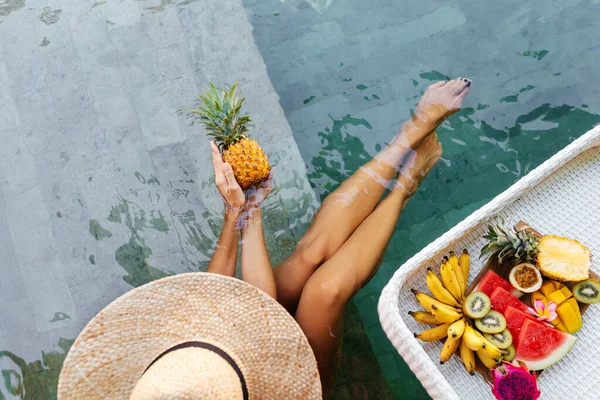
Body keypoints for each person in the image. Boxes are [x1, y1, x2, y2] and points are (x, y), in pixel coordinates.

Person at [207, 77, 472, 397]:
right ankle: (405, 185)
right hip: (289, 388)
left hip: (243, 340)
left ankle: (410, 134)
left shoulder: (178, 364)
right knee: (324, 291)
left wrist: (245, 209)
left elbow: (242, 302)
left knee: (310, 254)